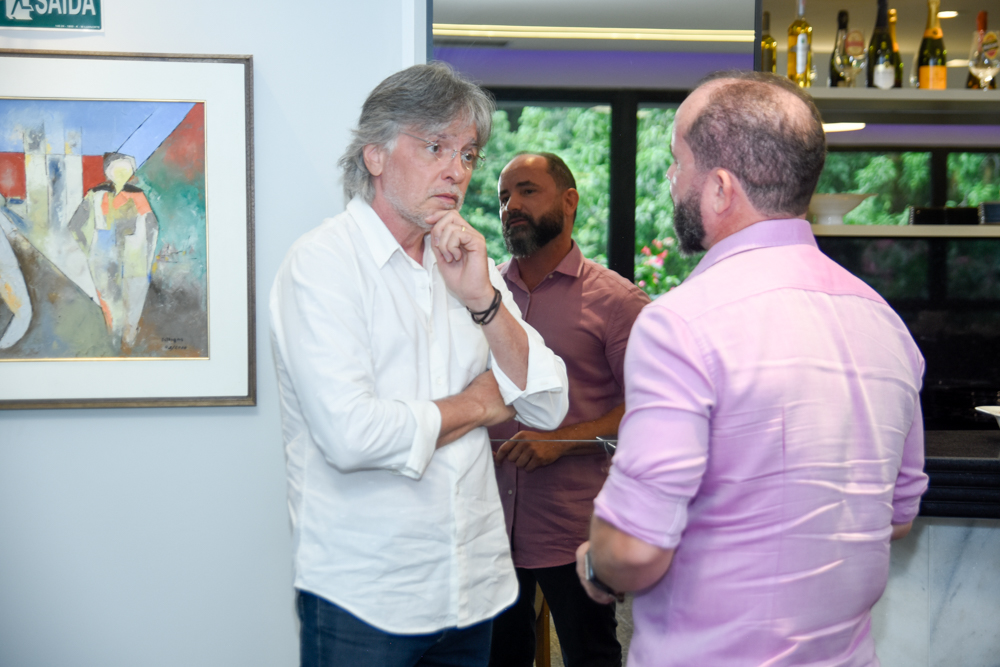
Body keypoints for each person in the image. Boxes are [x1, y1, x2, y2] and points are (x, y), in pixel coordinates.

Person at [576, 71, 928, 666]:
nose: (670, 180)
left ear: (719, 188)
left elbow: (634, 551)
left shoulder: (680, 324)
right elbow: (897, 515)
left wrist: (596, 563)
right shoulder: (886, 324)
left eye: (677, 162)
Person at [269, 63, 569, 667]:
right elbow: (352, 435)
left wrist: (483, 301)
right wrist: (478, 404)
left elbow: (547, 403)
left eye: (468, 153)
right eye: (436, 147)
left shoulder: (467, 262)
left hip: (472, 589)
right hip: (366, 595)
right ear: (375, 154)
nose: (457, 170)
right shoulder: (322, 264)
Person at [488, 153, 649, 667]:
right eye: (504, 196)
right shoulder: (481, 296)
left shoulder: (618, 302)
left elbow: (650, 410)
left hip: (572, 530)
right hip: (487, 528)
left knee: (591, 658)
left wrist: (560, 441)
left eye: (527, 191)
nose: (511, 206)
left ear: (569, 201)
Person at [67, 152, 159, 353]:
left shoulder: (137, 195)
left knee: (133, 297)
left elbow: (152, 225)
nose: (123, 173)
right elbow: (75, 225)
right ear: (108, 171)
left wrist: (147, 251)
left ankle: (128, 338)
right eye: (118, 169)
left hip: (133, 256)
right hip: (104, 254)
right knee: (108, 298)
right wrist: (88, 248)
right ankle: (114, 336)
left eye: (127, 169)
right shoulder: (95, 194)